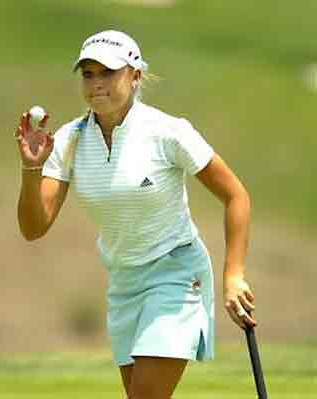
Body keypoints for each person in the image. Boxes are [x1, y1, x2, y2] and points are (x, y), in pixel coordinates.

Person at [15, 30, 257, 399]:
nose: (96, 84)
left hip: (176, 274)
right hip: (124, 283)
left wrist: (234, 274)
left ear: (135, 75)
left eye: (107, 72)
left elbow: (236, 196)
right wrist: (31, 170)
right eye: (88, 74)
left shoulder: (168, 132)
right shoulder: (70, 140)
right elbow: (34, 227)